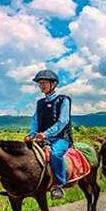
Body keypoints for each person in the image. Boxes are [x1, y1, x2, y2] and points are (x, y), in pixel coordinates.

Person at [26, 69, 73, 199]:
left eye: (43, 82)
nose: (41, 86)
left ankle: (59, 184)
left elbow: (63, 121)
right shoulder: (40, 103)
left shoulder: (63, 100)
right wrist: (32, 134)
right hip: (42, 138)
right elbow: (35, 120)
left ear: (53, 83)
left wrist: (46, 134)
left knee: (55, 154)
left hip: (60, 138)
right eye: (39, 83)